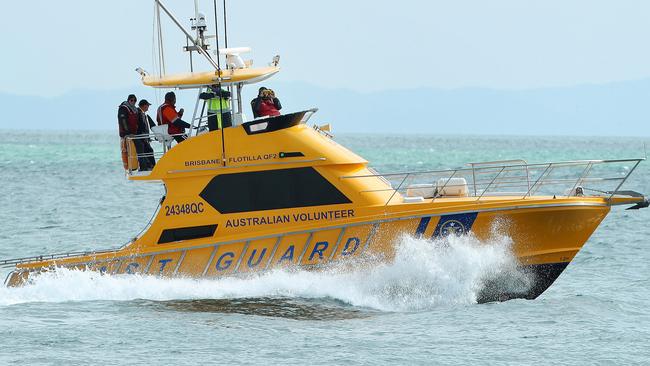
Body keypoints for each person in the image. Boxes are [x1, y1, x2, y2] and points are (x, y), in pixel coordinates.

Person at [118, 94, 139, 171]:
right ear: (128, 100)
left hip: (133, 134)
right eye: (132, 100)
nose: (133, 102)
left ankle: (135, 165)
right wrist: (127, 133)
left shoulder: (134, 110)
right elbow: (123, 121)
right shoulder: (123, 109)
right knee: (126, 151)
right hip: (126, 134)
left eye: (135, 101)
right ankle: (129, 166)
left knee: (135, 150)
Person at [136, 99, 156, 171]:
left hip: (143, 137)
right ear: (144, 105)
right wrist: (144, 135)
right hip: (141, 137)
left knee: (148, 151)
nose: (148, 107)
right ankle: (151, 166)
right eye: (148, 105)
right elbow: (141, 126)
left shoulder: (142, 113)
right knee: (148, 151)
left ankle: (151, 166)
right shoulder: (139, 113)